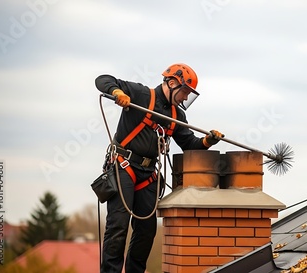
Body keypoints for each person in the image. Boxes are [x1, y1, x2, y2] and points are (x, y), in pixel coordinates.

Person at [95, 63, 223, 273]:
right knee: (118, 225)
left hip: (148, 174)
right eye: (184, 92)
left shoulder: (176, 116)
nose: (184, 98)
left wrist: (208, 141)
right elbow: (102, 79)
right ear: (171, 83)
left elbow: (190, 144)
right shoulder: (140, 94)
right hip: (123, 165)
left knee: (146, 231)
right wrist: (117, 92)